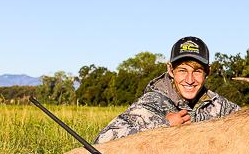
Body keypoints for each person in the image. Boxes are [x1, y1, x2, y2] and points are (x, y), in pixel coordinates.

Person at [95, 36, 240, 144]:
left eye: (197, 71)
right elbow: (103, 140)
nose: (190, 80)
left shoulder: (219, 106)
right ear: (170, 70)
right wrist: (164, 125)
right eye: (182, 70)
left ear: (208, 71)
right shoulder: (153, 102)